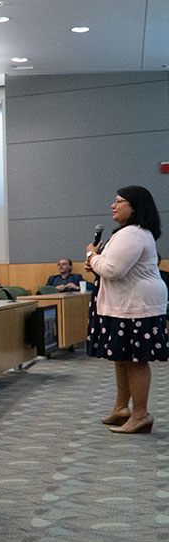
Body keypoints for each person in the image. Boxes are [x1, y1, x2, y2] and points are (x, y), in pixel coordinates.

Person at [85, 185, 167, 434]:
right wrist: (97, 262)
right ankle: (122, 408)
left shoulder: (133, 233)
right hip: (122, 305)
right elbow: (110, 265)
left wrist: (91, 256)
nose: (113, 204)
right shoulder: (126, 233)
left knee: (135, 360)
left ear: (135, 207)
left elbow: (113, 270)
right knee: (121, 357)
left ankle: (140, 414)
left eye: (119, 201)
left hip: (136, 306)